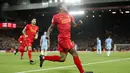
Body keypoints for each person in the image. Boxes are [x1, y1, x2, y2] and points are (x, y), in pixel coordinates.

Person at [39, 4, 86, 73]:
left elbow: (74, 25)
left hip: (65, 39)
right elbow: (51, 27)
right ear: (61, 8)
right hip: (64, 39)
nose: (66, 7)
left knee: (62, 58)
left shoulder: (70, 16)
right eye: (65, 6)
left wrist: (78, 24)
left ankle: (43, 57)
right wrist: (48, 35)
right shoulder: (56, 17)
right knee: (75, 53)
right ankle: (82, 72)